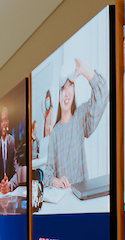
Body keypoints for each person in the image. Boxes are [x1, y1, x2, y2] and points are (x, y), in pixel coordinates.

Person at [46, 58, 109, 189]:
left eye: (70, 87)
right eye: (63, 89)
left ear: (74, 93)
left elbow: (102, 94)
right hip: (62, 196)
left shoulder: (80, 117)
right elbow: (48, 174)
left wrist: (85, 71)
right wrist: (57, 181)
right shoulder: (55, 133)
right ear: (58, 96)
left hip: (81, 193)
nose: (66, 93)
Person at [0, 107, 16, 194]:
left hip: (13, 191)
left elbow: (17, 170)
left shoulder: (13, 142)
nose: (4, 124)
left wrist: (10, 185)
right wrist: (0, 186)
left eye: (5, 120)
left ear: (8, 122)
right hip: (1, 194)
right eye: (1, 121)